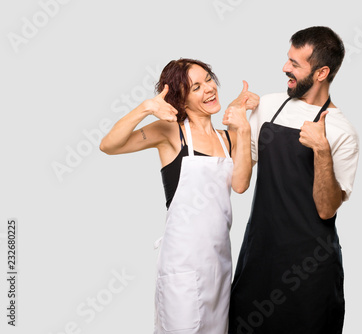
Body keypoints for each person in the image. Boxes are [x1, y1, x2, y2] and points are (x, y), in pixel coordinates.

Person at [99, 58, 258, 334]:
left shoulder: (228, 138)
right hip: (182, 264)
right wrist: (146, 108)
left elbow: (241, 184)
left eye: (208, 79)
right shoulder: (171, 133)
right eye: (196, 87)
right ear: (181, 100)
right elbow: (109, 145)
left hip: (219, 264)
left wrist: (242, 126)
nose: (209, 89)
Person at [229, 26, 360, 334]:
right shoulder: (269, 107)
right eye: (288, 59)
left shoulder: (342, 131)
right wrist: (239, 121)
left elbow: (328, 209)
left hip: (310, 267)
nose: (285, 68)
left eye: (295, 64)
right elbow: (240, 178)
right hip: (259, 256)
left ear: (321, 72)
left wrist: (322, 151)